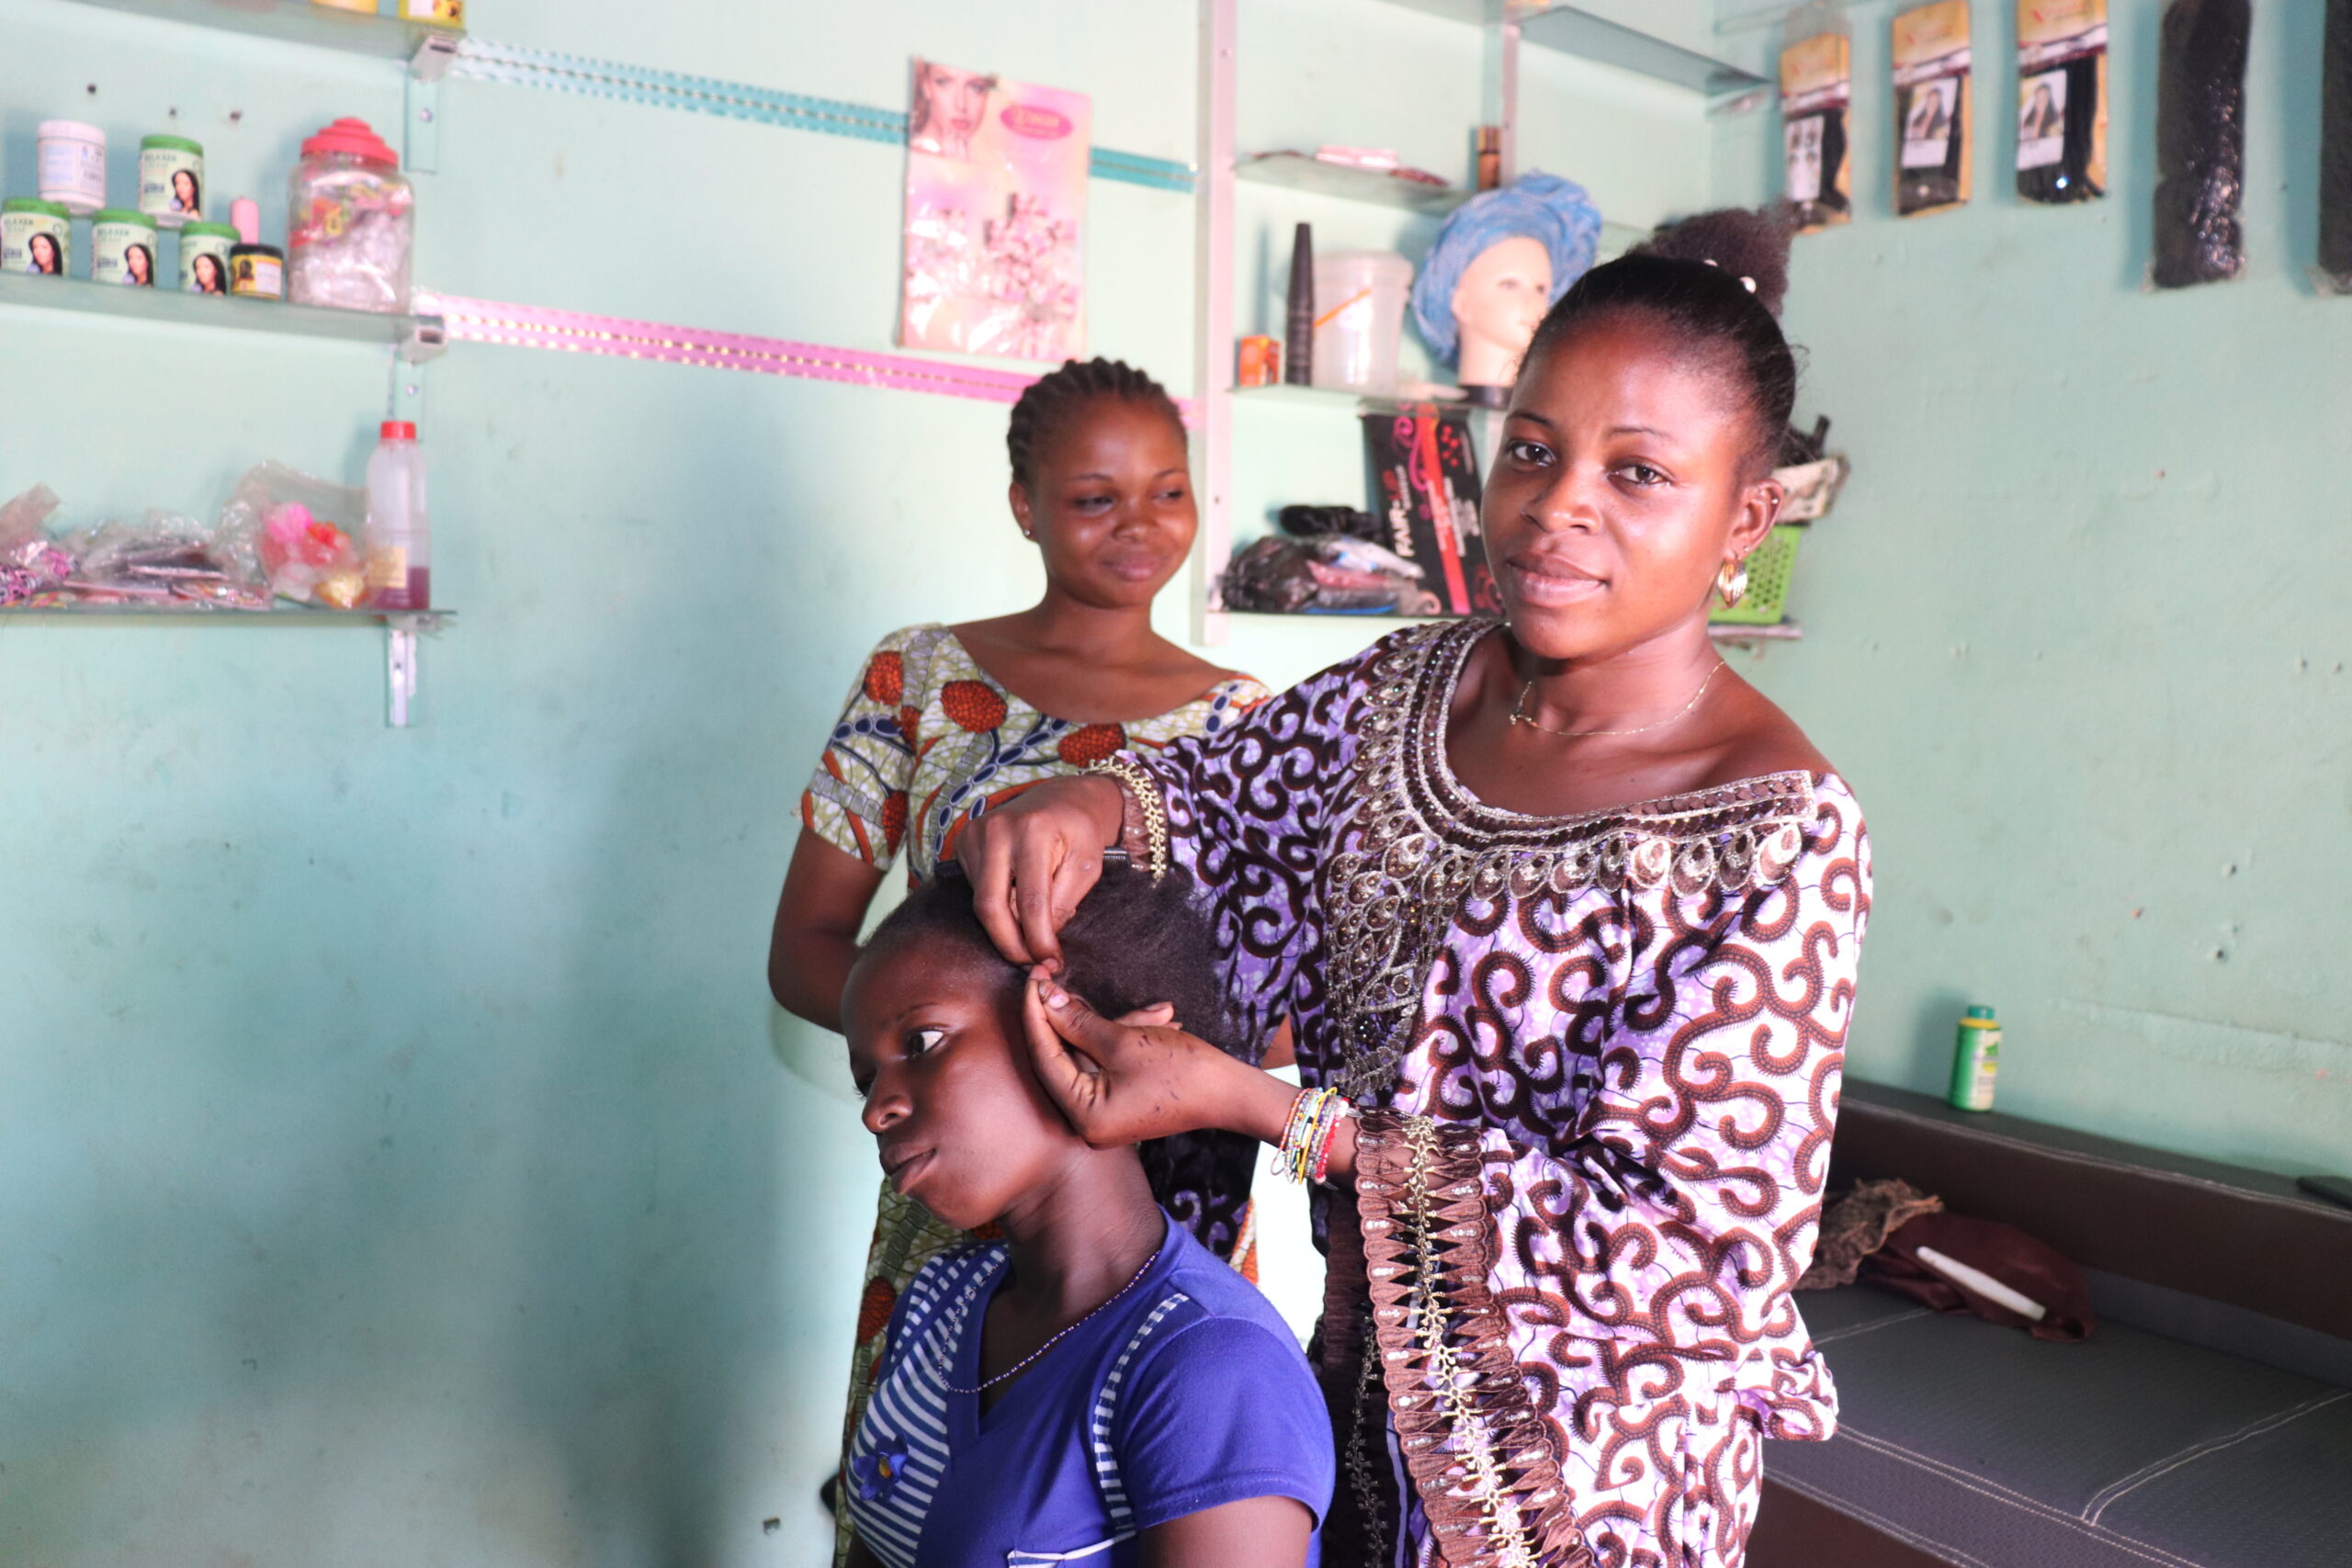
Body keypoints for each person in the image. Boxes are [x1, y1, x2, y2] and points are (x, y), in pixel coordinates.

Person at [958, 214, 1872, 1567]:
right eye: (1535, 449)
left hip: (1592, 1487)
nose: (1562, 505)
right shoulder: (1410, 690)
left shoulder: (1776, 830)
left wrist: (1275, 1113)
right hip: (1358, 1411)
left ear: (1744, 517)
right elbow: (1214, 799)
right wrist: (1088, 800)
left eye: (1638, 473)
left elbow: (1695, 1254)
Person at [767, 357, 1274, 1545]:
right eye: (1095, 497)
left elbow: (1276, 991)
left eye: (1168, 491)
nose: (1139, 527)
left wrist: (1156, 1054)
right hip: (963, 1177)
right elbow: (804, 944)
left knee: (1158, 1490)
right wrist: (957, 1040)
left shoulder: (1242, 722)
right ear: (1023, 503)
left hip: (1166, 1184)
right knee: (931, 1495)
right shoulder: (922, 677)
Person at [840, 863, 1331, 1568]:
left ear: (1076, 1027)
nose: (875, 1108)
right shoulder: (938, 1305)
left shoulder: (1208, 1365)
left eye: (920, 1043)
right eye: (867, 1077)